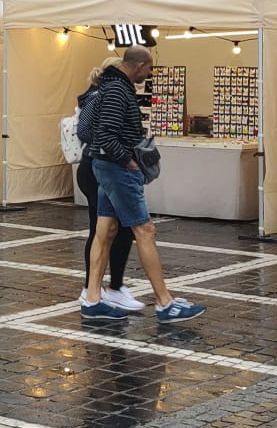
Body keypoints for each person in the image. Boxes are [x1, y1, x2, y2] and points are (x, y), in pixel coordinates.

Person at [78, 46, 206, 323]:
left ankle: (92, 299)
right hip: (116, 168)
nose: (149, 74)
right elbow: (105, 133)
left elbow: (99, 132)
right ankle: (164, 302)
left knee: (106, 231)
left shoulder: (113, 86)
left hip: (107, 166)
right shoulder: (117, 90)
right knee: (144, 230)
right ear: (139, 66)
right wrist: (128, 161)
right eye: (149, 69)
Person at [74, 58, 141, 314]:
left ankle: (107, 287)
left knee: (114, 230)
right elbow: (85, 131)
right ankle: (97, 288)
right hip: (97, 167)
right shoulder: (102, 95)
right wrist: (116, 149)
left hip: (101, 166)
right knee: (105, 230)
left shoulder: (110, 92)